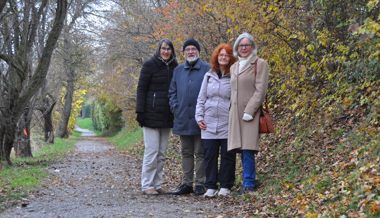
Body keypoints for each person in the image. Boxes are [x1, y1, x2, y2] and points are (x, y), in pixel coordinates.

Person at [228, 33, 269, 194]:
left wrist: (251, 110)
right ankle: (246, 180)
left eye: (247, 45)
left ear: (252, 47)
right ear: (237, 48)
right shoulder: (234, 66)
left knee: (248, 148)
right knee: (239, 148)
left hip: (249, 113)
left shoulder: (260, 63)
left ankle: (249, 183)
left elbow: (261, 90)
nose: (243, 48)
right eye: (240, 45)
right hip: (235, 113)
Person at [136, 39, 178, 195]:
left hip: (167, 116)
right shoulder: (149, 65)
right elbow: (141, 89)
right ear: (158, 50)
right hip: (150, 115)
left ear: (172, 51)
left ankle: (157, 183)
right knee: (152, 151)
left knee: (161, 153)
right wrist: (140, 112)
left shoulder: (175, 67)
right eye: (163, 48)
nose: (166, 51)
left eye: (168, 49)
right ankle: (147, 185)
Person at [168, 38, 210, 195]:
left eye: (193, 49)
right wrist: (176, 109)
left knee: (201, 152)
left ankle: (200, 184)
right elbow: (172, 92)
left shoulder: (208, 68)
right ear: (184, 52)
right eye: (188, 49)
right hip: (182, 117)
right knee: (186, 152)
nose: (190, 52)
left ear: (198, 51)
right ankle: (187, 184)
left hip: (201, 119)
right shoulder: (178, 70)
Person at [195, 44, 237, 197]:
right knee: (210, 155)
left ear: (231, 58)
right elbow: (201, 98)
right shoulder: (209, 75)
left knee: (228, 155)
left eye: (226, 55)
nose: (223, 57)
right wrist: (199, 117)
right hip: (209, 122)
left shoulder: (234, 76)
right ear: (216, 58)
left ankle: (225, 186)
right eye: (221, 55)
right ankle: (211, 186)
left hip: (227, 122)